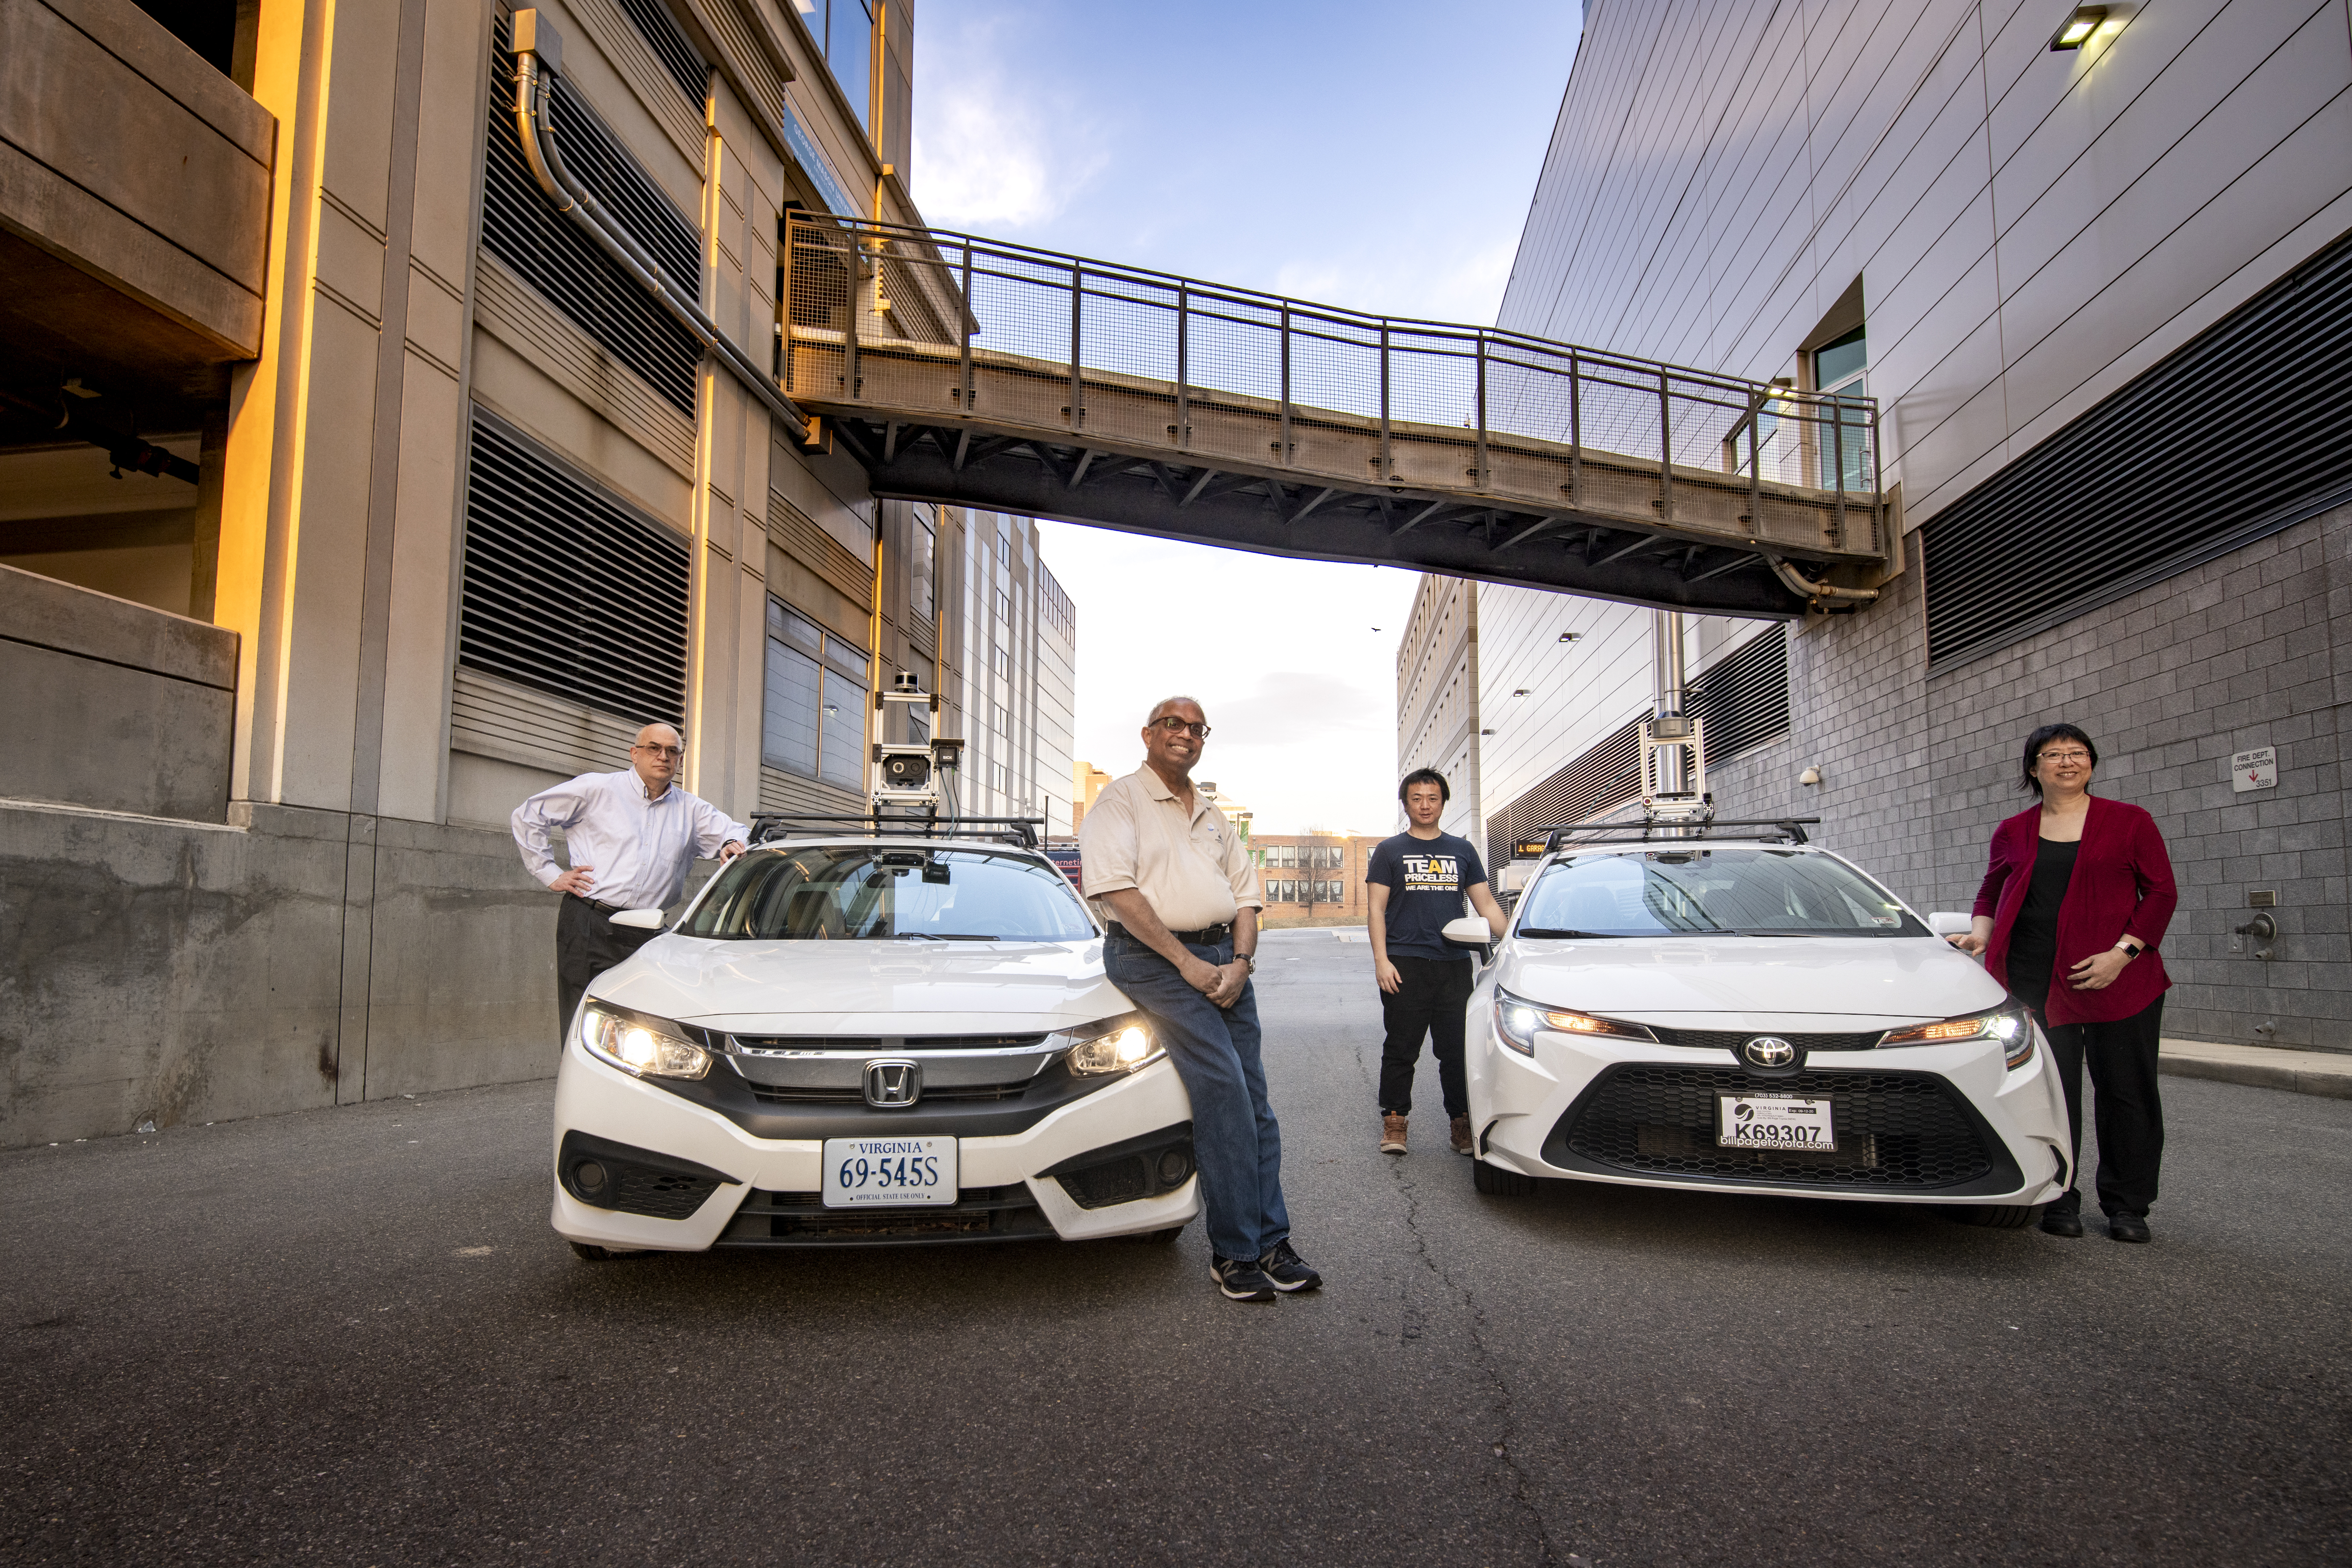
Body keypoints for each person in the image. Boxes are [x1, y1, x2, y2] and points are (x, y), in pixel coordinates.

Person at [1078, 695, 1317, 1304]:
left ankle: (1271, 1241)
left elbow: (1246, 895)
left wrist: (1240, 962)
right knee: (1225, 1088)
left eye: (1196, 728)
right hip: (1152, 959)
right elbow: (1117, 890)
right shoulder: (1122, 799)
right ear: (1149, 734)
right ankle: (1235, 1251)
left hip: (1222, 960)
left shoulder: (1212, 811)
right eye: (1173, 725)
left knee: (1256, 1098)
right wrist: (1185, 963)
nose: (1186, 734)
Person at [1950, 723, 2177, 1243]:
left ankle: (2128, 1205)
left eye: (2078, 753)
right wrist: (1980, 933)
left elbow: (2161, 893)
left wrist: (2122, 954)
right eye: (2053, 755)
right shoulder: (2013, 829)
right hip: (2033, 980)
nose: (2067, 762)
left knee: (2127, 1093)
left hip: (2118, 980)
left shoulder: (2130, 821)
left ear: (2091, 764)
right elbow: (1991, 888)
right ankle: (2060, 1195)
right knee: (2052, 1095)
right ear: (2034, 768)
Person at [512, 722, 750, 1043]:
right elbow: (529, 815)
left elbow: (737, 833)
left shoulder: (691, 810)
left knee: (646, 1028)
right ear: (635, 754)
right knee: (583, 1020)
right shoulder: (596, 789)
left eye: (672, 751)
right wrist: (550, 873)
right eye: (654, 748)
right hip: (590, 922)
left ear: (680, 760)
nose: (663, 756)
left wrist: (729, 844)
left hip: (648, 932)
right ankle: (584, 1091)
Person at [1366, 768, 1508, 1156]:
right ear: (1406, 803)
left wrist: (1514, 944)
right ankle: (1395, 1121)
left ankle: (1461, 1123)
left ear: (1444, 802)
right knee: (1401, 1048)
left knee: (1456, 1050)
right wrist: (1381, 960)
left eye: (1432, 798)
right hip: (1405, 963)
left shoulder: (1462, 851)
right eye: (1417, 798)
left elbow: (1487, 905)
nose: (1425, 805)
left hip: (1453, 965)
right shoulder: (1390, 851)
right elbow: (1376, 910)